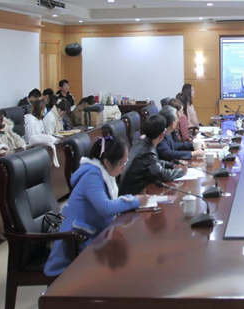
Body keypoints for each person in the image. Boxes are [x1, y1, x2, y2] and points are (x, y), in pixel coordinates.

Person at [44, 137, 147, 277]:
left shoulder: (103, 173)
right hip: (78, 240)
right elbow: (105, 207)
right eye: (122, 163)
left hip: (93, 234)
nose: (124, 168)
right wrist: (135, 201)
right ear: (106, 162)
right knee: (125, 260)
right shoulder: (92, 176)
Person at [121, 114, 186, 195]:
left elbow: (154, 163)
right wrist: (181, 171)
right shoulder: (147, 153)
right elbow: (162, 174)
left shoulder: (141, 142)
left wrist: (171, 165)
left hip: (130, 191)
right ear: (162, 135)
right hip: (133, 195)